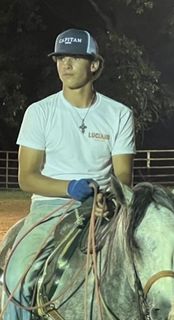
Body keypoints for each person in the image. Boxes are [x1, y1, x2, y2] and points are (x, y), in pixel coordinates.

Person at [2, 28, 135, 319]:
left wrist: (107, 198)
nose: (66, 65)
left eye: (75, 57)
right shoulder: (40, 112)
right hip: (50, 207)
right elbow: (27, 177)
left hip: (104, 208)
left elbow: (123, 176)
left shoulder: (119, 114)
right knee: (16, 277)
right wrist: (70, 187)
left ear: (95, 64)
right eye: (61, 58)